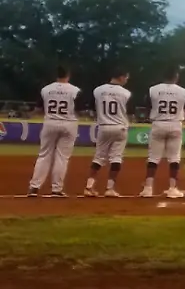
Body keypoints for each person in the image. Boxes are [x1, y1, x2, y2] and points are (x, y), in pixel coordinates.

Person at [28, 66, 81, 197]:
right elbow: (79, 110)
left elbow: (38, 109)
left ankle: (34, 187)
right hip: (68, 124)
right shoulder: (75, 90)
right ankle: (56, 189)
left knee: (44, 155)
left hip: (50, 123)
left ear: (56, 75)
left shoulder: (46, 89)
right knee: (62, 157)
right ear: (68, 75)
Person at [84, 71, 133, 197]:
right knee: (116, 158)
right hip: (120, 127)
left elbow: (93, 108)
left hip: (104, 126)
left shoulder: (98, 90)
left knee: (99, 157)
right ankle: (110, 188)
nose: (126, 80)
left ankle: (89, 187)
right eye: (126, 78)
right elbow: (130, 111)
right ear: (121, 77)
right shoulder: (126, 93)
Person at [141, 68, 185, 198]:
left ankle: (148, 188)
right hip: (175, 124)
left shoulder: (153, 89)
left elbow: (146, 107)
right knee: (174, 158)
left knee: (153, 158)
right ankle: (172, 188)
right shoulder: (183, 91)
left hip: (158, 123)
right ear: (176, 77)